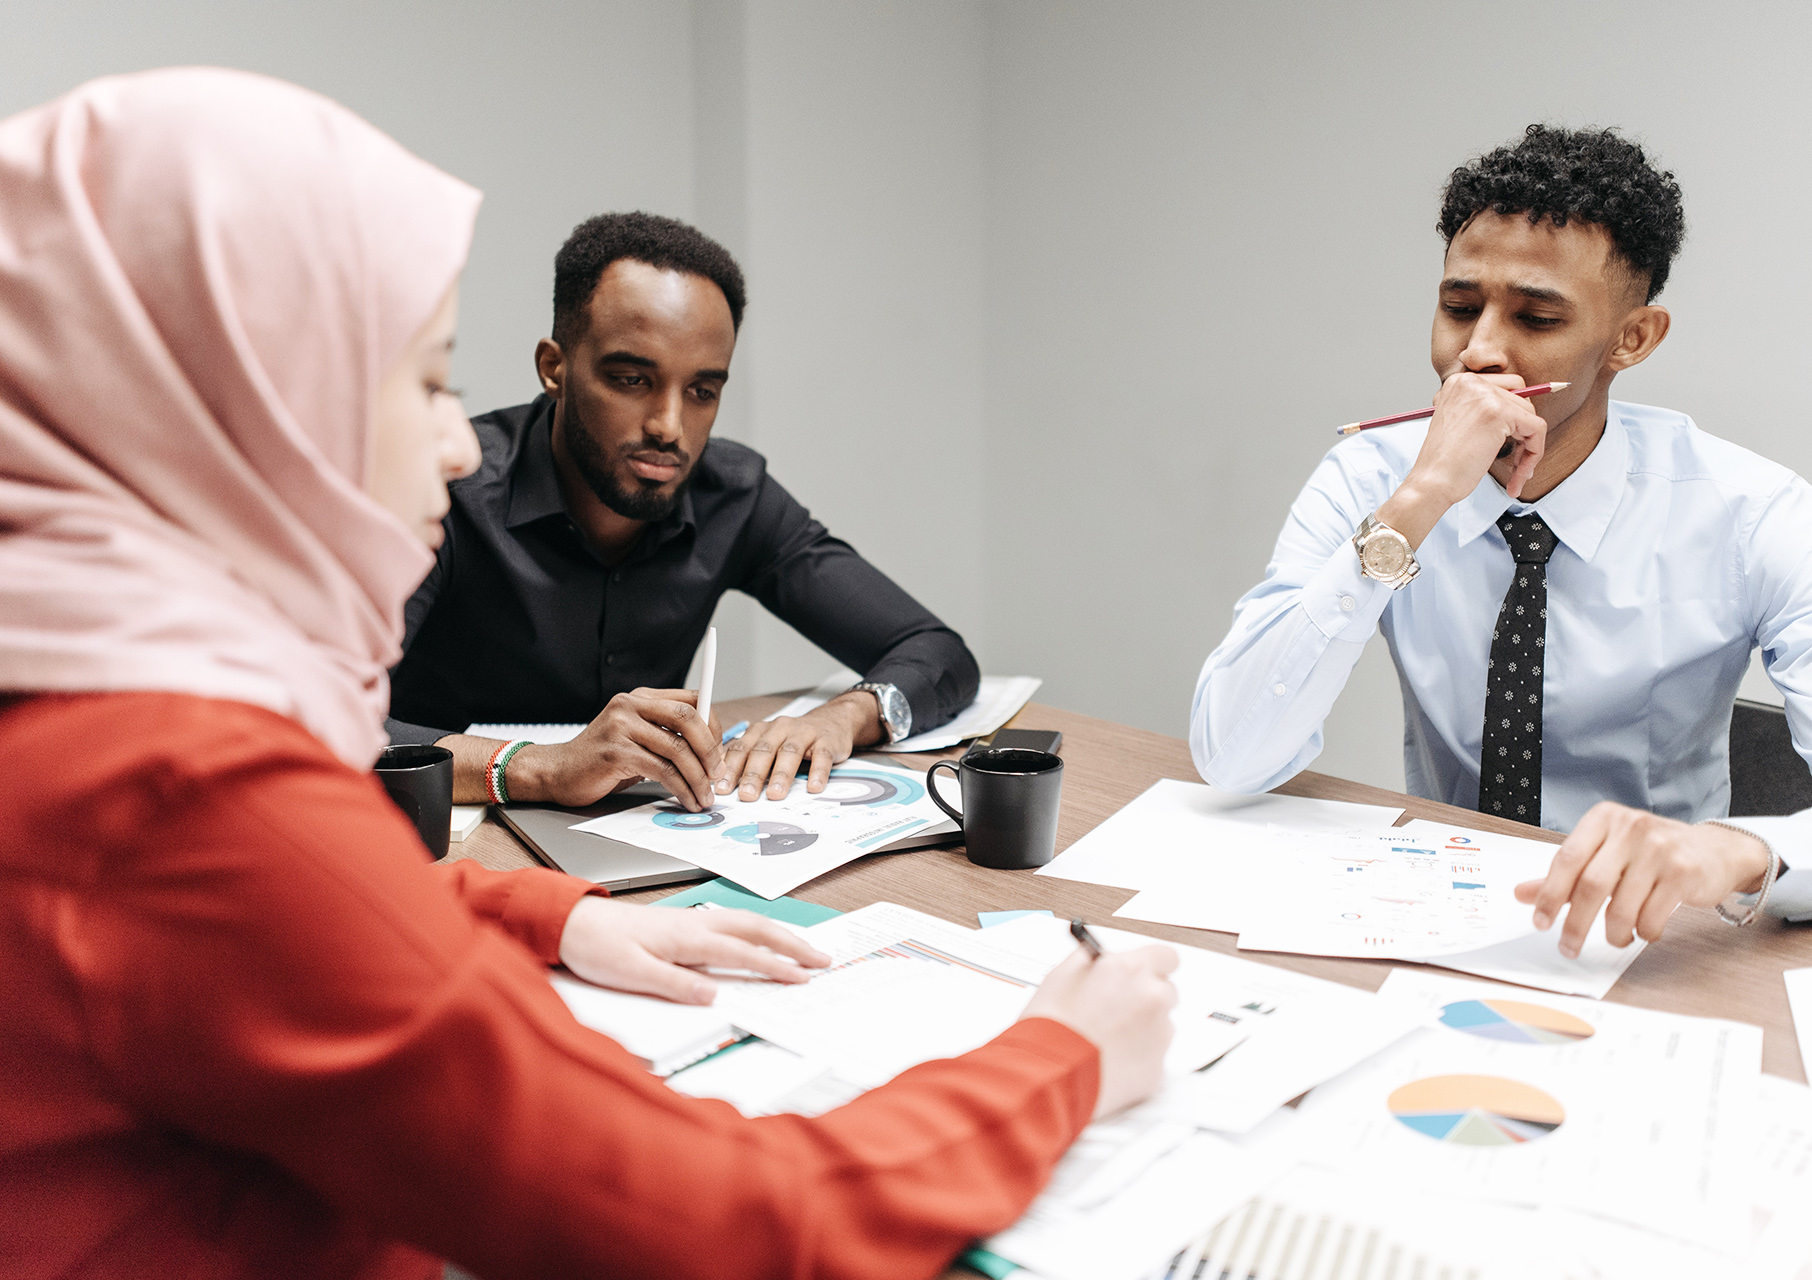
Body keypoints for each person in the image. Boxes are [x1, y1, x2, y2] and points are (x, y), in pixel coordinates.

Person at [0, 68, 1177, 1280]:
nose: (454, 437)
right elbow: (723, 1221)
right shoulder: (185, 790)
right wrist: (1056, 1055)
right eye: (418, 381)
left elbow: (287, 914)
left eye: (704, 388)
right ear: (239, 398)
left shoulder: (80, 697)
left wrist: (557, 915)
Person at [1190, 125, 1812, 955]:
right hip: (1433, 910)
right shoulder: (1373, 482)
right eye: (1459, 308)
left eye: (1535, 318)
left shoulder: (1758, 516)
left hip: (1650, 937)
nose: (1478, 354)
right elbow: (1233, 754)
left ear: (1631, 339)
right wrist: (1418, 504)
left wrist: (1731, 849)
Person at [384, 211, 978, 813]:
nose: (669, 427)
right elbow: (326, 721)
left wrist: (848, 716)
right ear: (555, 368)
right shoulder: (446, 489)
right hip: (444, 833)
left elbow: (936, 651)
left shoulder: (734, 496)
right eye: (631, 379)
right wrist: (541, 769)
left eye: (702, 392)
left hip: (641, 834)